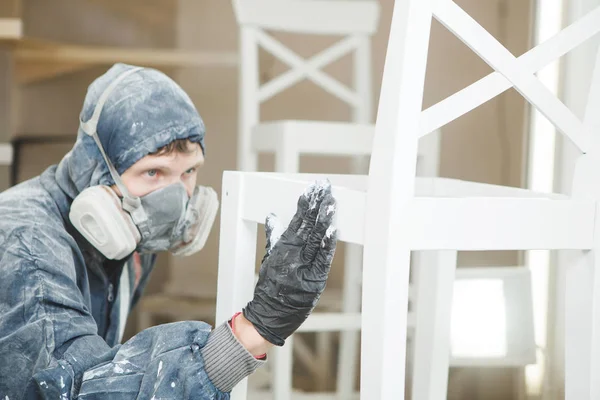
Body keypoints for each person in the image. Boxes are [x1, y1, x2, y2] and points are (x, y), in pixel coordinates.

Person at [0, 63, 338, 399]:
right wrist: (250, 331)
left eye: (189, 170)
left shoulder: (128, 240)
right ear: (98, 169)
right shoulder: (26, 244)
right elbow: (68, 388)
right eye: (153, 173)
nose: (176, 201)